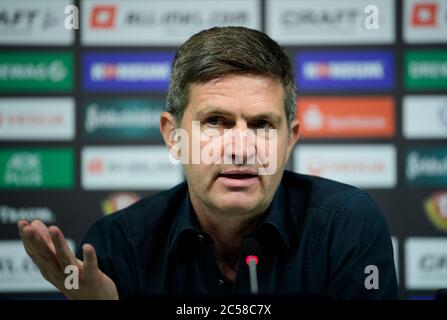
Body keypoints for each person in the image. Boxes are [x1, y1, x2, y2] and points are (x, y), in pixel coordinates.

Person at [17, 26, 398, 300]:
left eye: (263, 125)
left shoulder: (348, 224)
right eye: (216, 121)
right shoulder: (115, 246)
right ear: (173, 136)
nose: (241, 148)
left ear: (290, 140)